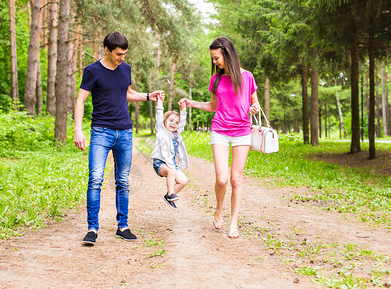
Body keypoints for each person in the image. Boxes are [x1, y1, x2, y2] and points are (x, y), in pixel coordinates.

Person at [74, 32, 164, 245]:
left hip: (124, 132)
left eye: (124, 53)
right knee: (95, 180)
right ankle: (92, 229)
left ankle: (122, 226)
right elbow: (80, 101)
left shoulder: (126, 69)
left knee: (123, 181)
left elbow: (126, 93)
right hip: (100, 132)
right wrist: (78, 130)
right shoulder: (92, 71)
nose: (122, 57)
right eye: (118, 54)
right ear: (107, 50)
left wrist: (148, 96)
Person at [179, 37, 260, 239]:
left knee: (236, 179)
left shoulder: (247, 76)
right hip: (220, 130)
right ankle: (219, 209)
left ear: (227, 54)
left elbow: (254, 103)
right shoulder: (215, 80)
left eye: (217, 58)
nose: (215, 62)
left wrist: (254, 108)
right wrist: (191, 103)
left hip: (242, 130)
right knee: (222, 179)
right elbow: (213, 106)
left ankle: (233, 222)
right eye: (213, 59)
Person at [151, 96, 189, 210]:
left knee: (183, 181)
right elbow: (158, 116)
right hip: (160, 163)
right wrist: (159, 103)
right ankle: (171, 193)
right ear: (164, 121)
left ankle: (168, 196)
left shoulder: (177, 134)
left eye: (176, 122)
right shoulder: (161, 131)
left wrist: (183, 110)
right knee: (171, 171)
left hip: (172, 164)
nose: (173, 123)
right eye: (171, 120)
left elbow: (181, 123)